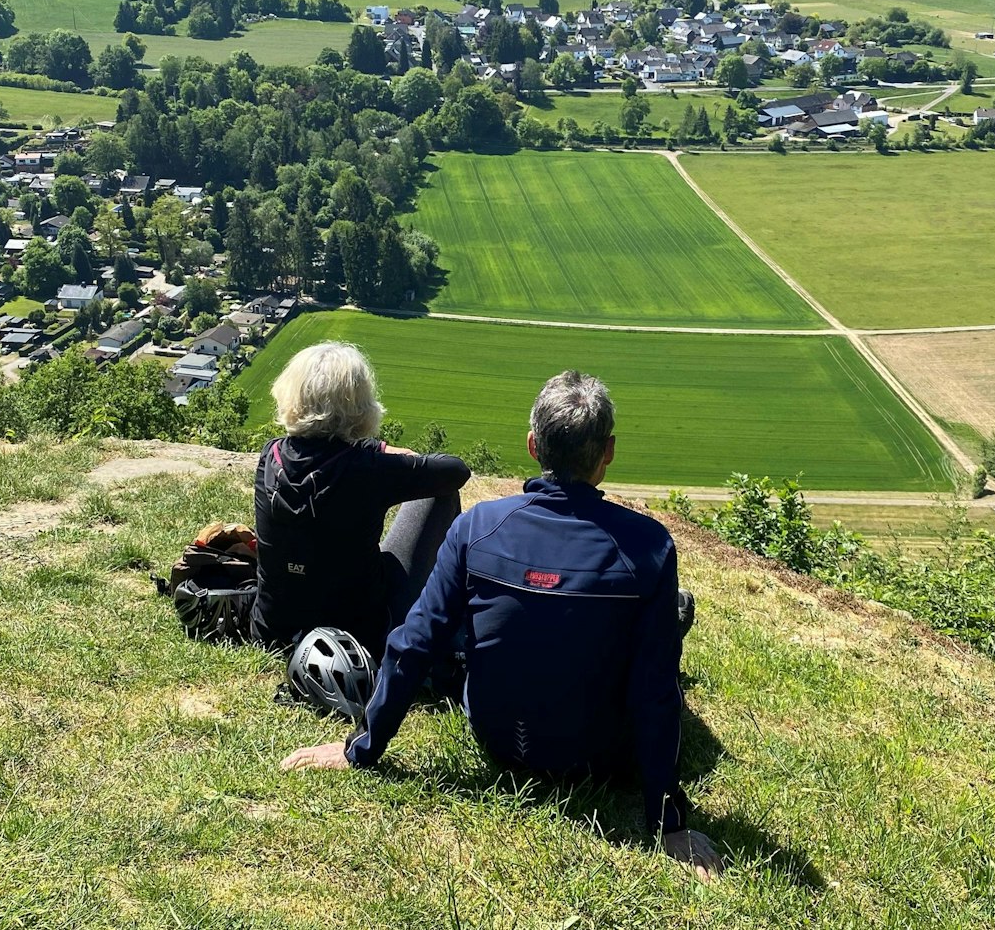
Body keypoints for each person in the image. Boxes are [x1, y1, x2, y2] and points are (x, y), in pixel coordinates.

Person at [281, 370, 723, 880]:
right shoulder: (649, 545)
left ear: (533, 445)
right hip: (602, 759)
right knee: (667, 651)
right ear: (608, 453)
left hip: (498, 740)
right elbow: (655, 691)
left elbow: (415, 643)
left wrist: (362, 749)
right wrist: (668, 824)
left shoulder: (477, 526)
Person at [254, 341, 471, 657]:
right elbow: (456, 471)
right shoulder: (368, 469)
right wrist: (380, 449)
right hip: (359, 636)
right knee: (440, 493)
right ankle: (447, 612)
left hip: (273, 632)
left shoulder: (269, 456)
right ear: (359, 404)